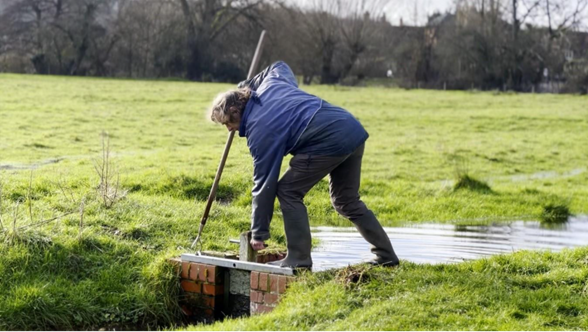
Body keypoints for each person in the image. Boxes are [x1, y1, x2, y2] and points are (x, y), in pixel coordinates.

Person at [209, 61, 399, 269]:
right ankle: (386, 256)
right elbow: (279, 66)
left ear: (236, 111)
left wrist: (259, 232)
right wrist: (249, 84)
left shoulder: (259, 130)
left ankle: (298, 259)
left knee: (288, 191)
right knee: (346, 201)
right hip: (350, 128)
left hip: (327, 140)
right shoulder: (271, 85)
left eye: (227, 123)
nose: (229, 130)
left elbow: (264, 182)